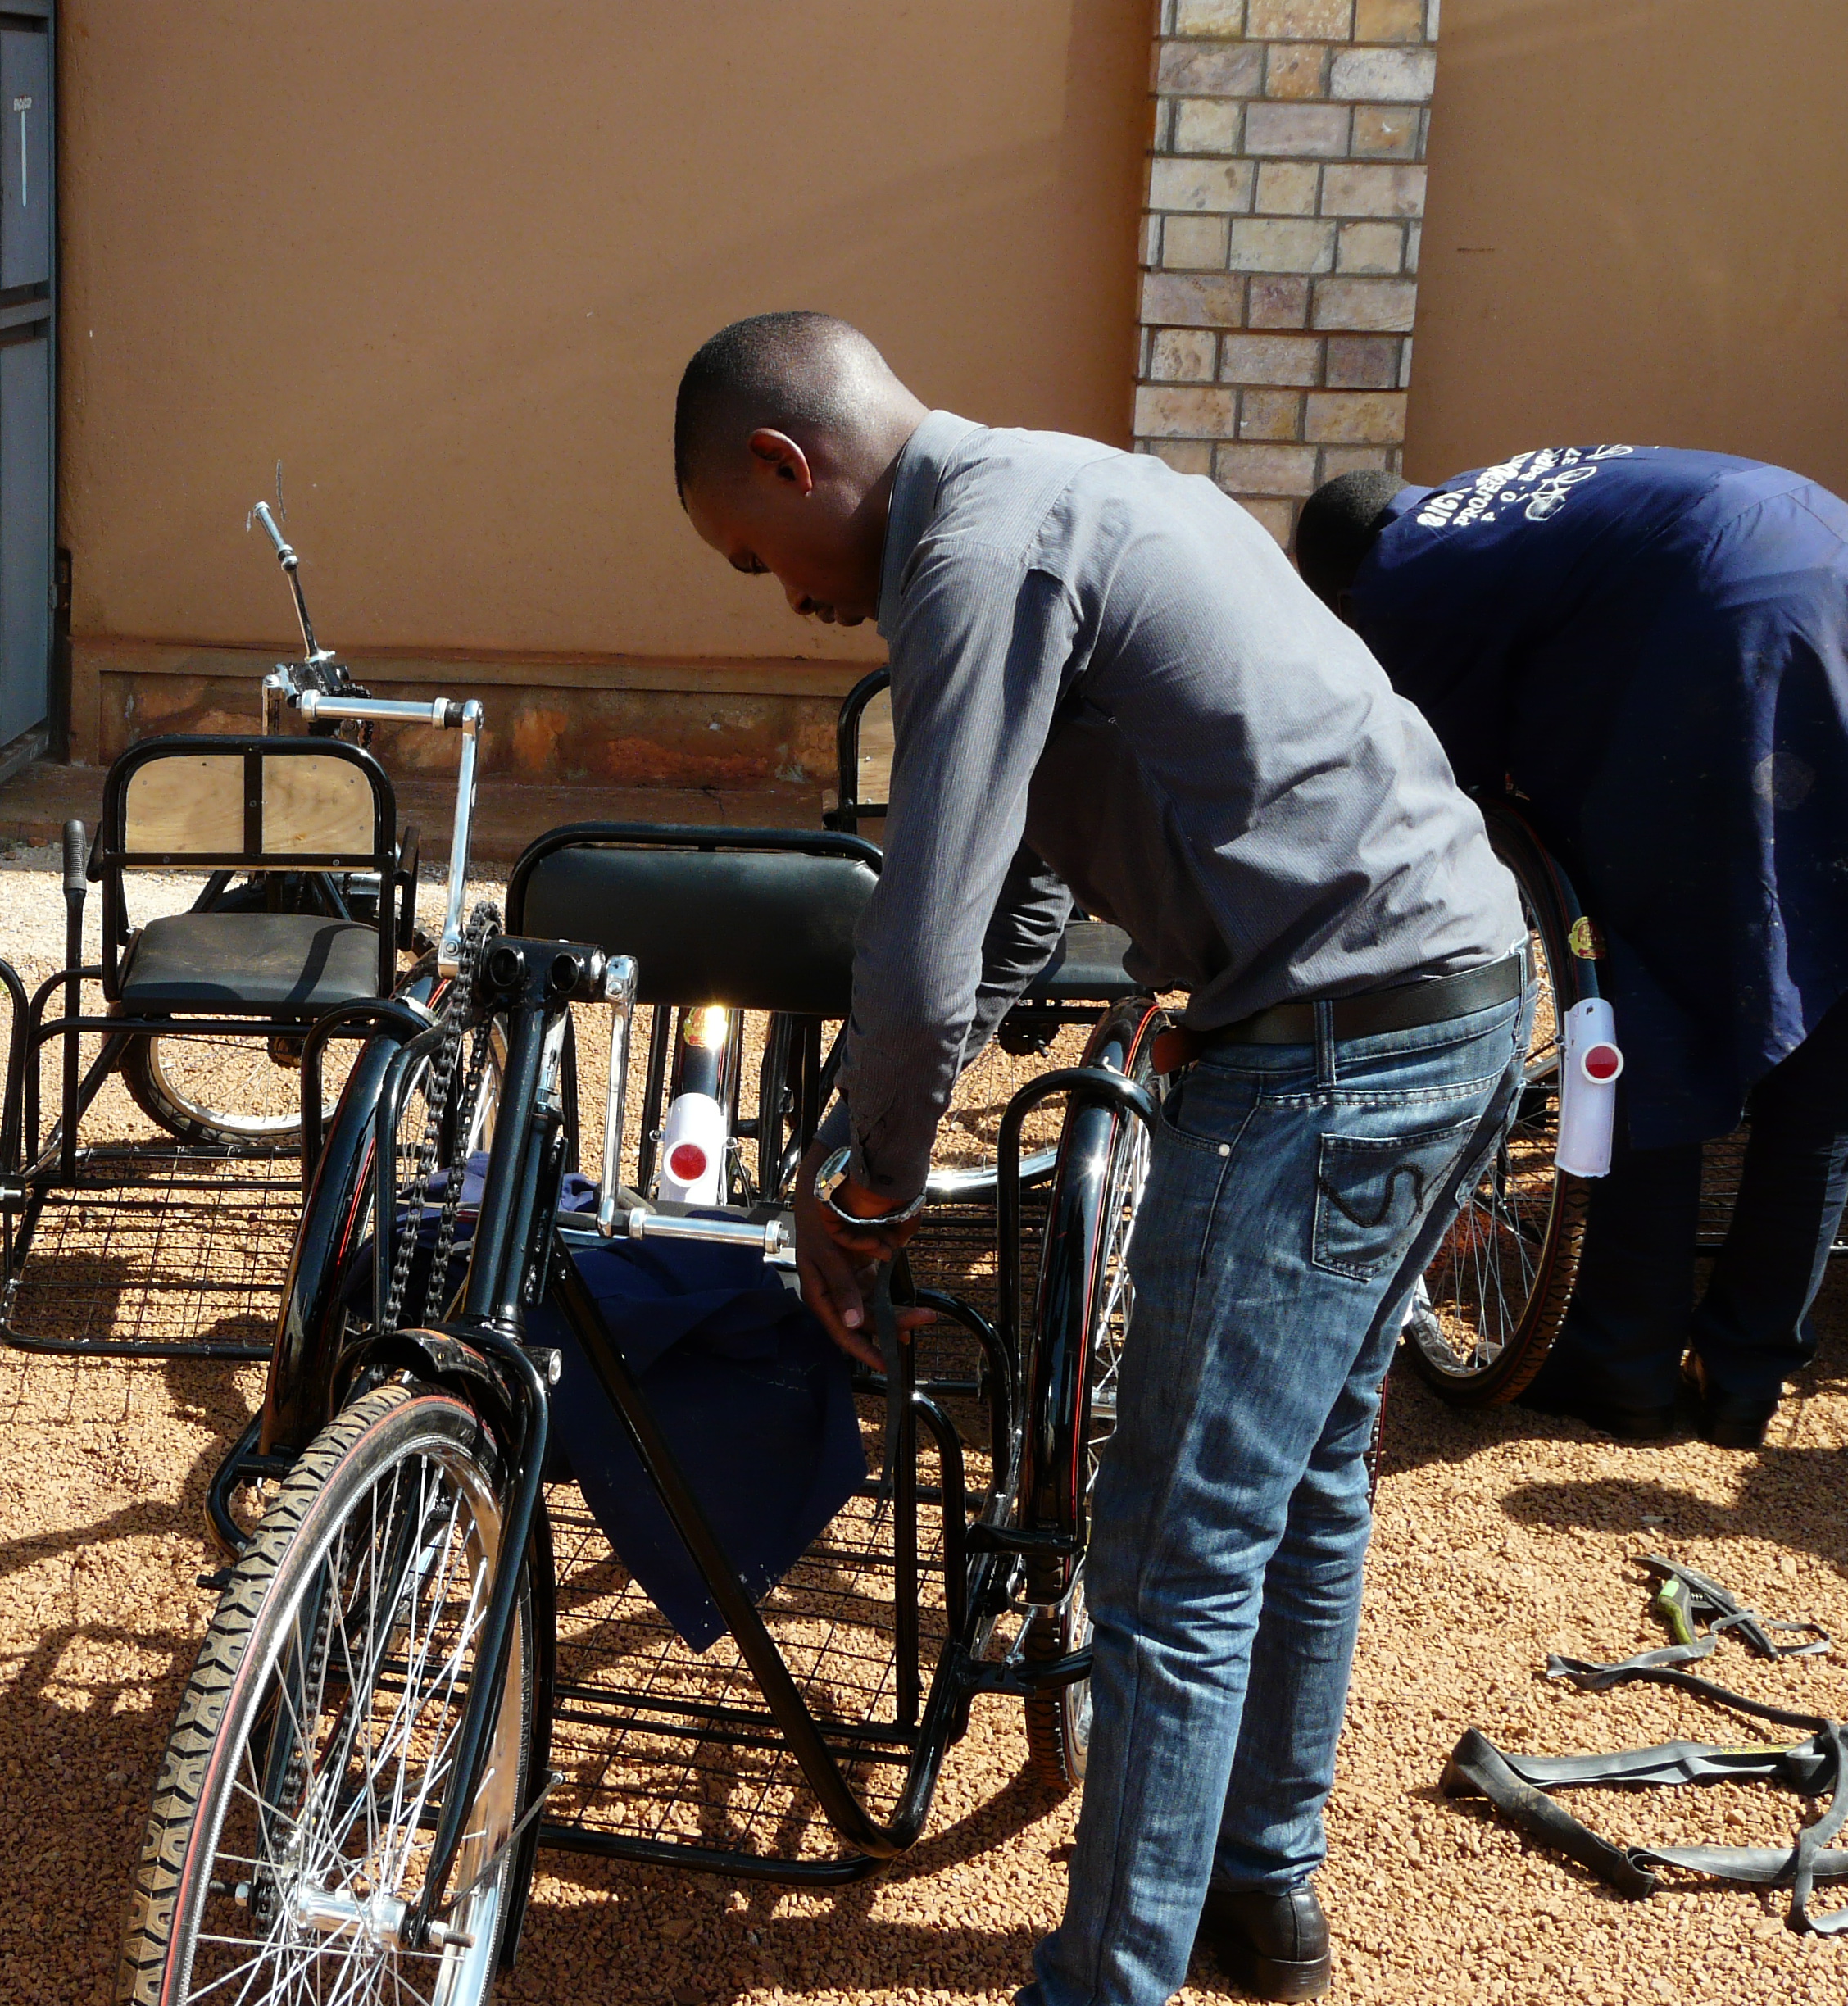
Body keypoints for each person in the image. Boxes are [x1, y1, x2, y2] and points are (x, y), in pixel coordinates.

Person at [673, 311, 1526, 2006]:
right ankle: (1261, 1897)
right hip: (1463, 996)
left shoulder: (968, 559)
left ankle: (1105, 1984)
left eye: (758, 555)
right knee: (1306, 1478)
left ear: (788, 461)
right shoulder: (1064, 492)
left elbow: (919, 948)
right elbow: (1019, 906)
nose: (788, 599)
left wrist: (864, 1185)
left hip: (1328, 1056)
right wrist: (881, 1117)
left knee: (1168, 1553)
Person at [1296, 452, 1848, 1449]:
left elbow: (1434, 785)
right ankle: (1746, 1373)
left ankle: (1623, 1362)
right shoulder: (1485, 512)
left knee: (1654, 1003)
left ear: (1341, 591)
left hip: (1721, 620)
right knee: (1827, 1008)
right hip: (1824, 560)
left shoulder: (1395, 579)